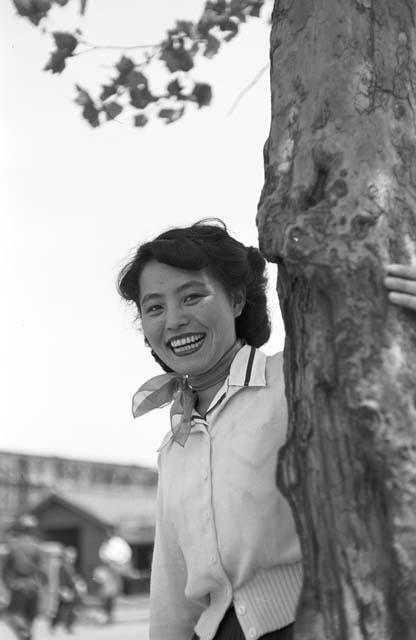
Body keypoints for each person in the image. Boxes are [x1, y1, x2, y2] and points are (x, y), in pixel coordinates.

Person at [118, 220, 416, 640]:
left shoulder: (296, 375)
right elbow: (172, 589)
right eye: (154, 307)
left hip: (313, 623)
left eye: (192, 297)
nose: (174, 320)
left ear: (237, 299)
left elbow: (396, 397)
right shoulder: (175, 444)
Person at [1, 514, 46, 640]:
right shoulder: (37, 546)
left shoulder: (13, 546)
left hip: (18, 587)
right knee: (30, 617)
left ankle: (23, 632)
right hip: (33, 587)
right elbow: (41, 570)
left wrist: (8, 584)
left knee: (15, 615)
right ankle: (26, 633)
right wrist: (41, 585)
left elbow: (5, 570)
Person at [50, 546, 83, 634]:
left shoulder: (71, 567)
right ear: (65, 557)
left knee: (73, 608)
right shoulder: (62, 567)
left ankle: (68, 626)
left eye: (73, 557)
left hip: (72, 590)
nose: (72, 559)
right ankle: (53, 625)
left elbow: (73, 577)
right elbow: (61, 579)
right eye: (70, 557)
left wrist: (79, 583)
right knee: (61, 609)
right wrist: (63, 590)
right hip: (65, 590)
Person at [92, 560, 122, 624]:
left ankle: (109, 618)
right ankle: (103, 619)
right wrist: (98, 580)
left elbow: (117, 580)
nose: (110, 564)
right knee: (103, 605)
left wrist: (118, 589)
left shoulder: (113, 570)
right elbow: (94, 579)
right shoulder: (100, 570)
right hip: (103, 591)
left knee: (111, 605)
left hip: (112, 591)